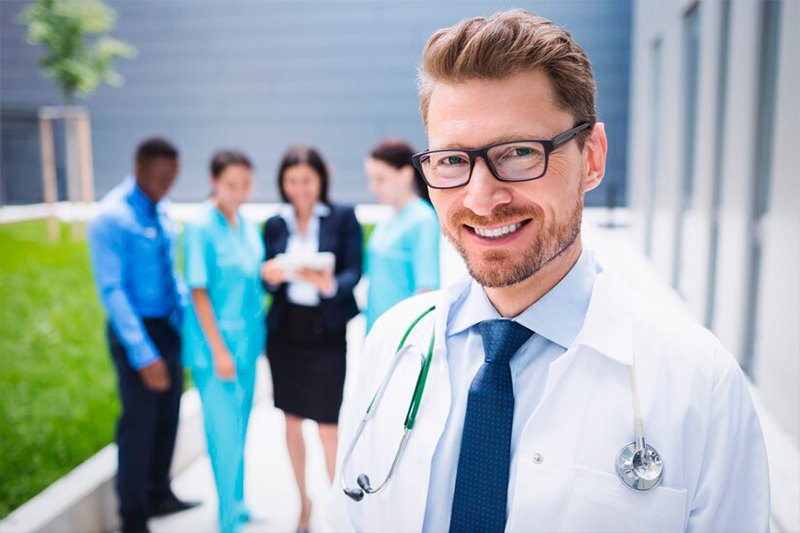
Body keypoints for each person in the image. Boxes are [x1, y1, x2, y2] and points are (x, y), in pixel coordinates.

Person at [328, 10, 769, 533]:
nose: (481, 198)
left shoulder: (700, 385)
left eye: (518, 153)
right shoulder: (391, 346)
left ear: (593, 158)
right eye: (451, 160)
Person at [88, 138, 198, 533]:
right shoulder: (111, 218)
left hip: (167, 328)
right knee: (139, 422)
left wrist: (188, 324)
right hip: (135, 329)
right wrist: (143, 353)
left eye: (173, 177)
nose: (167, 184)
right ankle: (132, 515)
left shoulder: (162, 210)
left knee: (168, 413)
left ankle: (159, 492)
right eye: (160, 177)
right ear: (138, 170)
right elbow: (112, 290)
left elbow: (173, 273)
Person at [261, 145, 362, 533]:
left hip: (326, 333)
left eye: (306, 180)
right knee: (291, 421)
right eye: (292, 181)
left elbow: (355, 270)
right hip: (287, 333)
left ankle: (339, 510)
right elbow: (266, 278)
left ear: (321, 179)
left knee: (327, 427)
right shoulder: (275, 223)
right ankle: (303, 505)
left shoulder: (342, 217)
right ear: (282, 183)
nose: (299, 188)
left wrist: (330, 283)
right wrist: (268, 275)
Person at [181, 150, 265, 533]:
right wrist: (218, 351)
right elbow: (198, 292)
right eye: (231, 184)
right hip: (216, 349)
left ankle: (239, 502)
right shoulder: (200, 226)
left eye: (246, 184)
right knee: (223, 434)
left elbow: (252, 277)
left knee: (242, 428)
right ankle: (227, 519)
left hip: (248, 342)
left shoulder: (246, 224)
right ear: (214, 181)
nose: (239, 192)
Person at [363, 138, 440, 332]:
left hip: (402, 335)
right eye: (371, 179)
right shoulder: (388, 219)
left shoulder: (422, 219)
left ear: (405, 174)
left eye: (380, 179)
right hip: (377, 330)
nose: (373, 187)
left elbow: (426, 289)